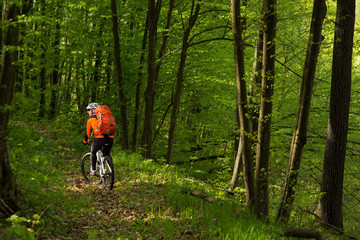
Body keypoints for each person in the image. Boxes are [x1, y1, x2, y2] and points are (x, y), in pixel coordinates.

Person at [83, 103, 114, 175]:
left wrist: (85, 141)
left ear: (93, 110)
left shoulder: (90, 119)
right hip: (110, 138)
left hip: (99, 139)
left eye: (89, 110)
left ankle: (93, 170)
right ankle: (110, 170)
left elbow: (87, 134)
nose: (88, 111)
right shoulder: (106, 117)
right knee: (106, 154)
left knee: (93, 151)